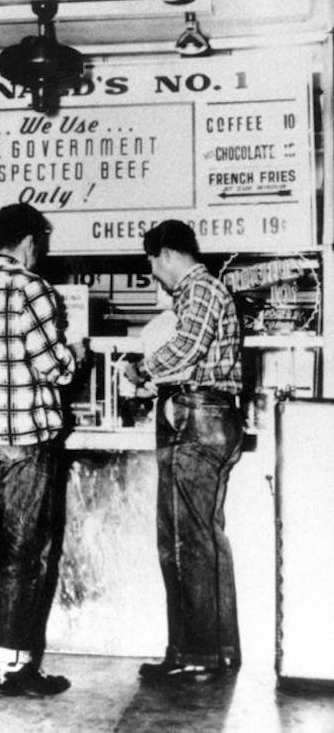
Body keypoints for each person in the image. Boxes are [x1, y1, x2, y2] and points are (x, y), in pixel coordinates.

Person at [0, 202, 83, 698]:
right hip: (23, 437)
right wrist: (75, 356)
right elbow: (52, 366)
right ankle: (12, 666)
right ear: (30, 242)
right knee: (22, 549)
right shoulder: (33, 289)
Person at [125, 220, 243, 682]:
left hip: (195, 416)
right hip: (214, 415)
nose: (155, 274)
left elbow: (187, 349)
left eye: (153, 263)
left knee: (182, 541)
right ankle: (218, 649)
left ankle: (194, 653)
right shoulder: (211, 290)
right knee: (206, 539)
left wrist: (142, 369)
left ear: (168, 254)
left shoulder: (199, 290)